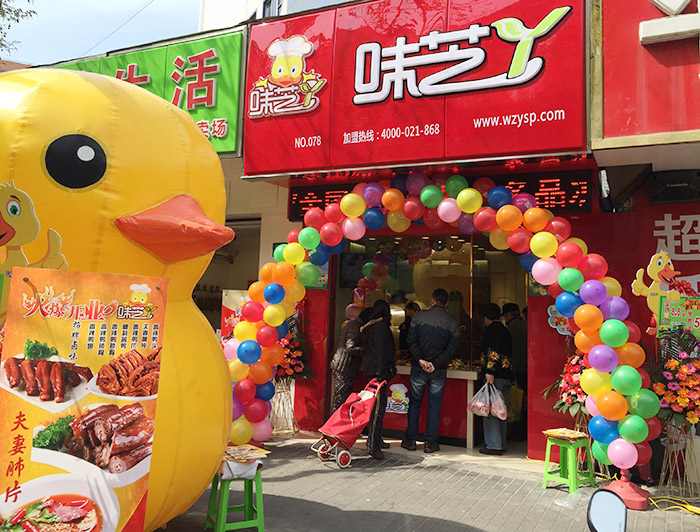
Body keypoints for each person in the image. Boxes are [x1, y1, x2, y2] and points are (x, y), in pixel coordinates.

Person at [401, 288, 459, 454]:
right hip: (438, 370)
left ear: (432, 300)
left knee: (414, 404)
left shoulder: (419, 316)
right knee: (434, 406)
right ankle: (430, 443)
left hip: (418, 368)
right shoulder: (452, 323)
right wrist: (435, 363)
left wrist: (420, 360)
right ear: (446, 304)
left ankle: (410, 440)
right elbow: (452, 348)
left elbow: (410, 340)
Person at [362, 300, 396, 459]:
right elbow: (381, 353)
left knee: (377, 409)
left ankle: (377, 439)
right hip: (378, 374)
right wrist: (382, 374)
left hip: (374, 372)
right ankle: (373, 445)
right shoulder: (381, 328)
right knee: (377, 411)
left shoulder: (372, 326)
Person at [479, 303, 513, 456]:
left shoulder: (492, 330)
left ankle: (494, 445)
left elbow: (493, 352)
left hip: (496, 376)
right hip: (506, 374)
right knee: (501, 411)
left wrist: (489, 371)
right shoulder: (505, 330)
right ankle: (501, 443)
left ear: (486, 318)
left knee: (491, 410)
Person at [329, 308, 372, 414]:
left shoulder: (354, 325)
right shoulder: (355, 327)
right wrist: (367, 348)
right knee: (341, 399)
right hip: (344, 367)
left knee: (341, 398)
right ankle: (334, 422)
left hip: (344, 366)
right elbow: (350, 347)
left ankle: (336, 422)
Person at [502, 302, 527, 439]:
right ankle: (524, 430)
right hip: (528, 367)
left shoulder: (511, 329)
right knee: (525, 400)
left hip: (517, 368)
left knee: (519, 401)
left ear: (509, 315)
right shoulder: (526, 325)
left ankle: (518, 430)